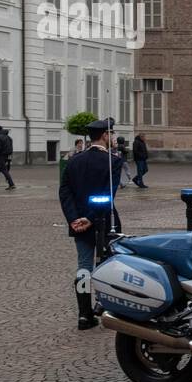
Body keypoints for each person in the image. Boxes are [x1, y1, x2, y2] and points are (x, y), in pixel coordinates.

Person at [59, 117, 123, 329]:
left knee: (84, 268)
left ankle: (84, 315)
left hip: (79, 223)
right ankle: (102, 307)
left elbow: (65, 193)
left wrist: (74, 218)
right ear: (105, 135)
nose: (113, 137)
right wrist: (90, 217)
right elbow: (108, 194)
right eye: (111, 134)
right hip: (105, 220)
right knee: (107, 266)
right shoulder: (113, 161)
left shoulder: (74, 161)